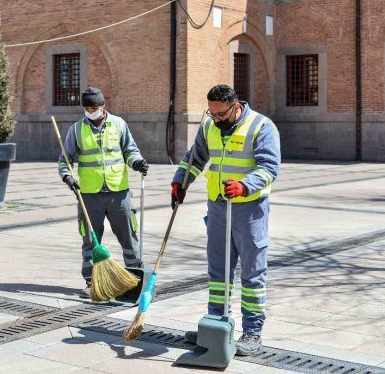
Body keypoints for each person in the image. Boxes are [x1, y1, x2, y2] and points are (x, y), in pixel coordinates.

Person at [171, 84, 280, 357]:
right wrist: (180, 181)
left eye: (221, 115)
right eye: (212, 114)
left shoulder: (261, 126)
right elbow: (195, 157)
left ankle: (252, 332)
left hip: (250, 209)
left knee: (252, 273)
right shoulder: (209, 126)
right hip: (219, 207)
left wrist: (245, 185)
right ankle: (217, 325)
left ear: (235, 107)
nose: (216, 119)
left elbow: (269, 168)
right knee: (218, 272)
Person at [57, 87, 149, 299]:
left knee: (128, 235)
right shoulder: (76, 130)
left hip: (118, 192)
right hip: (89, 194)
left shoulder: (119, 124)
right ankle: (92, 282)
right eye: (87, 108)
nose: (91, 111)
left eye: (95, 107)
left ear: (103, 106)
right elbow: (65, 160)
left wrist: (137, 162)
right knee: (90, 239)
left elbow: (130, 150)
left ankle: (135, 276)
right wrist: (67, 177)